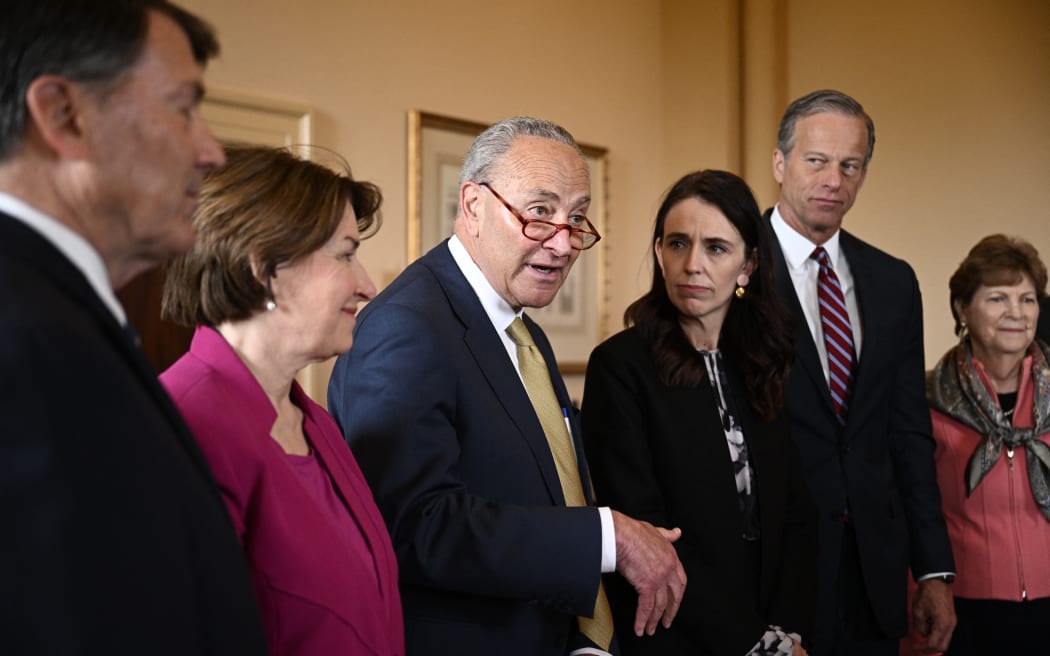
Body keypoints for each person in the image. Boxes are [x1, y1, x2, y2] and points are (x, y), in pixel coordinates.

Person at [328, 116, 687, 656]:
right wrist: (606, 537)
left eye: (577, 219)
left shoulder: (525, 332)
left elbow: (542, 494)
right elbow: (418, 527)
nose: (563, 244)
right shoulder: (405, 325)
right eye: (539, 213)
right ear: (472, 205)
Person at [0, 1, 267, 653]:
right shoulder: (24, 334)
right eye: (183, 108)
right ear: (64, 116)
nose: (211, 151)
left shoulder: (60, 313)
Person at [159, 144, 404, 656]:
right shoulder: (181, 426)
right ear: (265, 268)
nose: (367, 285)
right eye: (344, 254)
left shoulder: (317, 425)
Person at [582, 170, 817, 656]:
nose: (693, 265)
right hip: (677, 632)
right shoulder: (619, 367)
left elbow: (795, 512)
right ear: (658, 253)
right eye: (678, 243)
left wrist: (786, 632)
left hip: (775, 628)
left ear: (748, 265)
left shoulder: (764, 358)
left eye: (715, 248)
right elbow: (647, 535)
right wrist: (753, 645)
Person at [764, 89, 956, 656]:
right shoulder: (731, 263)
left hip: (872, 571)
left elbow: (908, 433)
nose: (834, 179)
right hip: (772, 565)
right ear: (780, 163)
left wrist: (934, 569)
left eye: (851, 165)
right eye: (817, 161)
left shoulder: (892, 281)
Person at [921, 234, 1050, 655]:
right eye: (998, 298)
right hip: (964, 611)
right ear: (963, 308)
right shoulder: (927, 399)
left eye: (1027, 299)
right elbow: (913, 510)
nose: (1016, 313)